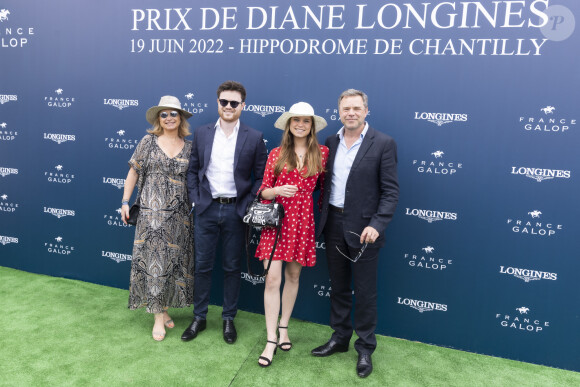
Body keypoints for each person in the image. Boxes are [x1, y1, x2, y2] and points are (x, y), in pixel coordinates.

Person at [311, 89, 399, 378]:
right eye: (346, 108)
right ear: (339, 111)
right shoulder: (330, 142)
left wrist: (377, 224)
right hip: (333, 225)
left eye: (356, 108)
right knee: (338, 288)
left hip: (365, 231)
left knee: (364, 292)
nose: (351, 113)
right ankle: (339, 338)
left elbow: (390, 191)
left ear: (366, 111)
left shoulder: (383, 143)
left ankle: (365, 348)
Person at [182, 81, 268, 344]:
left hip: (236, 211)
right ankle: (199, 317)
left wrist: (247, 202)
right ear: (217, 103)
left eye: (234, 103)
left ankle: (229, 318)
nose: (228, 107)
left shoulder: (253, 136)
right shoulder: (202, 133)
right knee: (203, 266)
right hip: (206, 209)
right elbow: (193, 170)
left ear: (243, 105)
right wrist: (196, 199)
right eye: (224, 102)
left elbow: (261, 176)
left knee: (232, 267)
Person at [255, 102, 329, 367]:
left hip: (303, 221)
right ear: (289, 124)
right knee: (272, 280)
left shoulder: (322, 152)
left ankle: (284, 326)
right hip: (276, 221)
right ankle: (271, 339)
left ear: (312, 126)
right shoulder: (276, 153)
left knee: (294, 275)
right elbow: (263, 191)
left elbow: (326, 190)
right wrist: (277, 191)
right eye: (295, 120)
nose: (300, 124)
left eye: (305, 121)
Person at [121, 95, 195, 341]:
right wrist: (124, 201)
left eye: (174, 113)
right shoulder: (148, 141)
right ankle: (156, 316)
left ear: (180, 118)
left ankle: (164, 309)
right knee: (154, 265)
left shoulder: (190, 146)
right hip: (151, 218)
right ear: (158, 119)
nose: (169, 118)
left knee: (172, 265)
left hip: (179, 217)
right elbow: (133, 171)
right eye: (164, 114)